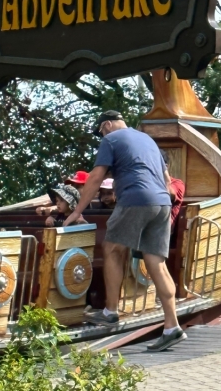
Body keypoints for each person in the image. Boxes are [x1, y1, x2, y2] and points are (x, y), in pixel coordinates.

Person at [63, 109, 186, 351]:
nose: (102, 136)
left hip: (135, 199)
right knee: (156, 263)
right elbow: (167, 181)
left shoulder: (111, 139)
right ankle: (172, 326)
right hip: (162, 202)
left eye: (100, 131)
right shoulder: (148, 140)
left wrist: (76, 212)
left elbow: (96, 177)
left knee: (112, 249)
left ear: (107, 125)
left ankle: (110, 312)